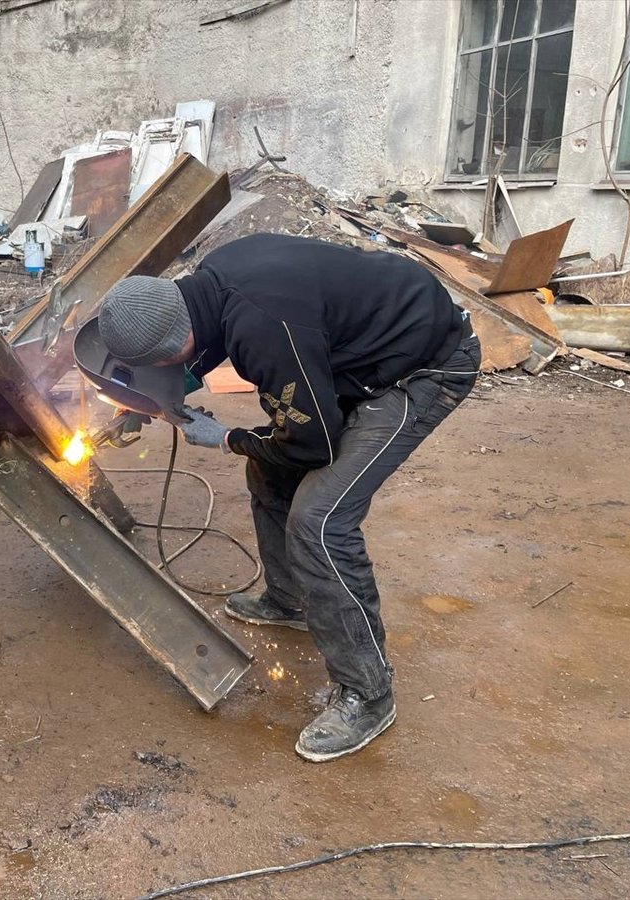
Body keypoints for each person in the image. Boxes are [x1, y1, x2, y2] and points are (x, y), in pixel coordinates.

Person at [97, 233, 480, 762]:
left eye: (165, 364)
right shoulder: (208, 282)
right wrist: (145, 404)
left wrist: (228, 438)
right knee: (267, 473)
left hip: (420, 368)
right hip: (359, 349)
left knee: (320, 521)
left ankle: (368, 694)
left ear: (175, 337)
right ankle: (292, 599)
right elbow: (199, 350)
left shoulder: (262, 327)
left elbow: (311, 445)